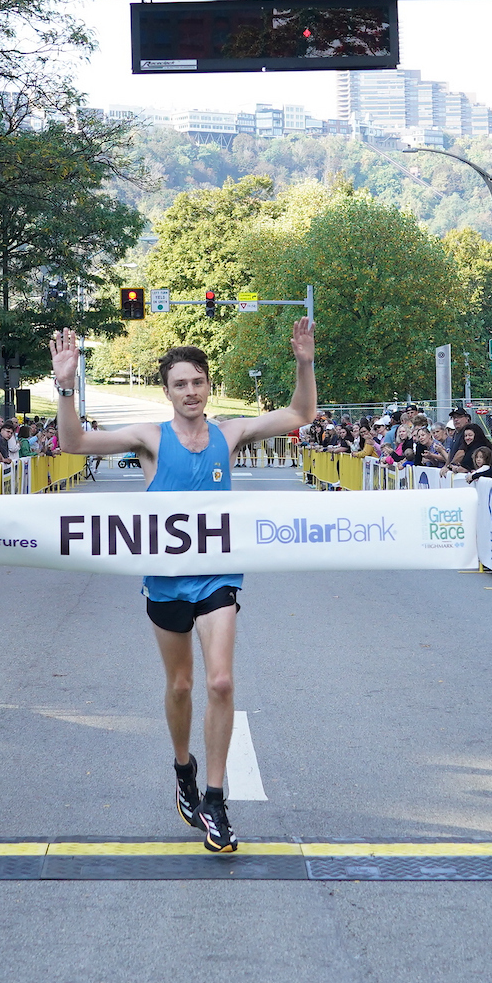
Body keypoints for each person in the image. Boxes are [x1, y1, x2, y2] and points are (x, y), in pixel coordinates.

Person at [49, 319, 319, 857]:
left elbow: (300, 415)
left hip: (218, 575)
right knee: (181, 686)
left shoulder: (230, 433)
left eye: (198, 382)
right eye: (180, 384)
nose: (190, 392)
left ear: (208, 386)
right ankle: (184, 770)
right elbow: (74, 442)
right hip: (166, 579)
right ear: (167, 390)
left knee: (220, 682)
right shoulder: (150, 438)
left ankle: (216, 799)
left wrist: (304, 363)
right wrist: (64, 385)